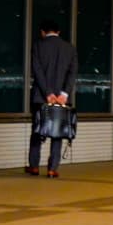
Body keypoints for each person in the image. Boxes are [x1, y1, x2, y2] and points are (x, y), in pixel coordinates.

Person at [27, 18, 76, 177]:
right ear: (58, 32)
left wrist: (48, 93)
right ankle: (52, 168)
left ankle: (34, 166)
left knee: (37, 130)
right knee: (58, 133)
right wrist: (64, 94)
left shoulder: (38, 46)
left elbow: (37, 71)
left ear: (43, 32)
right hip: (62, 100)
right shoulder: (69, 48)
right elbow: (72, 73)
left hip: (40, 97)